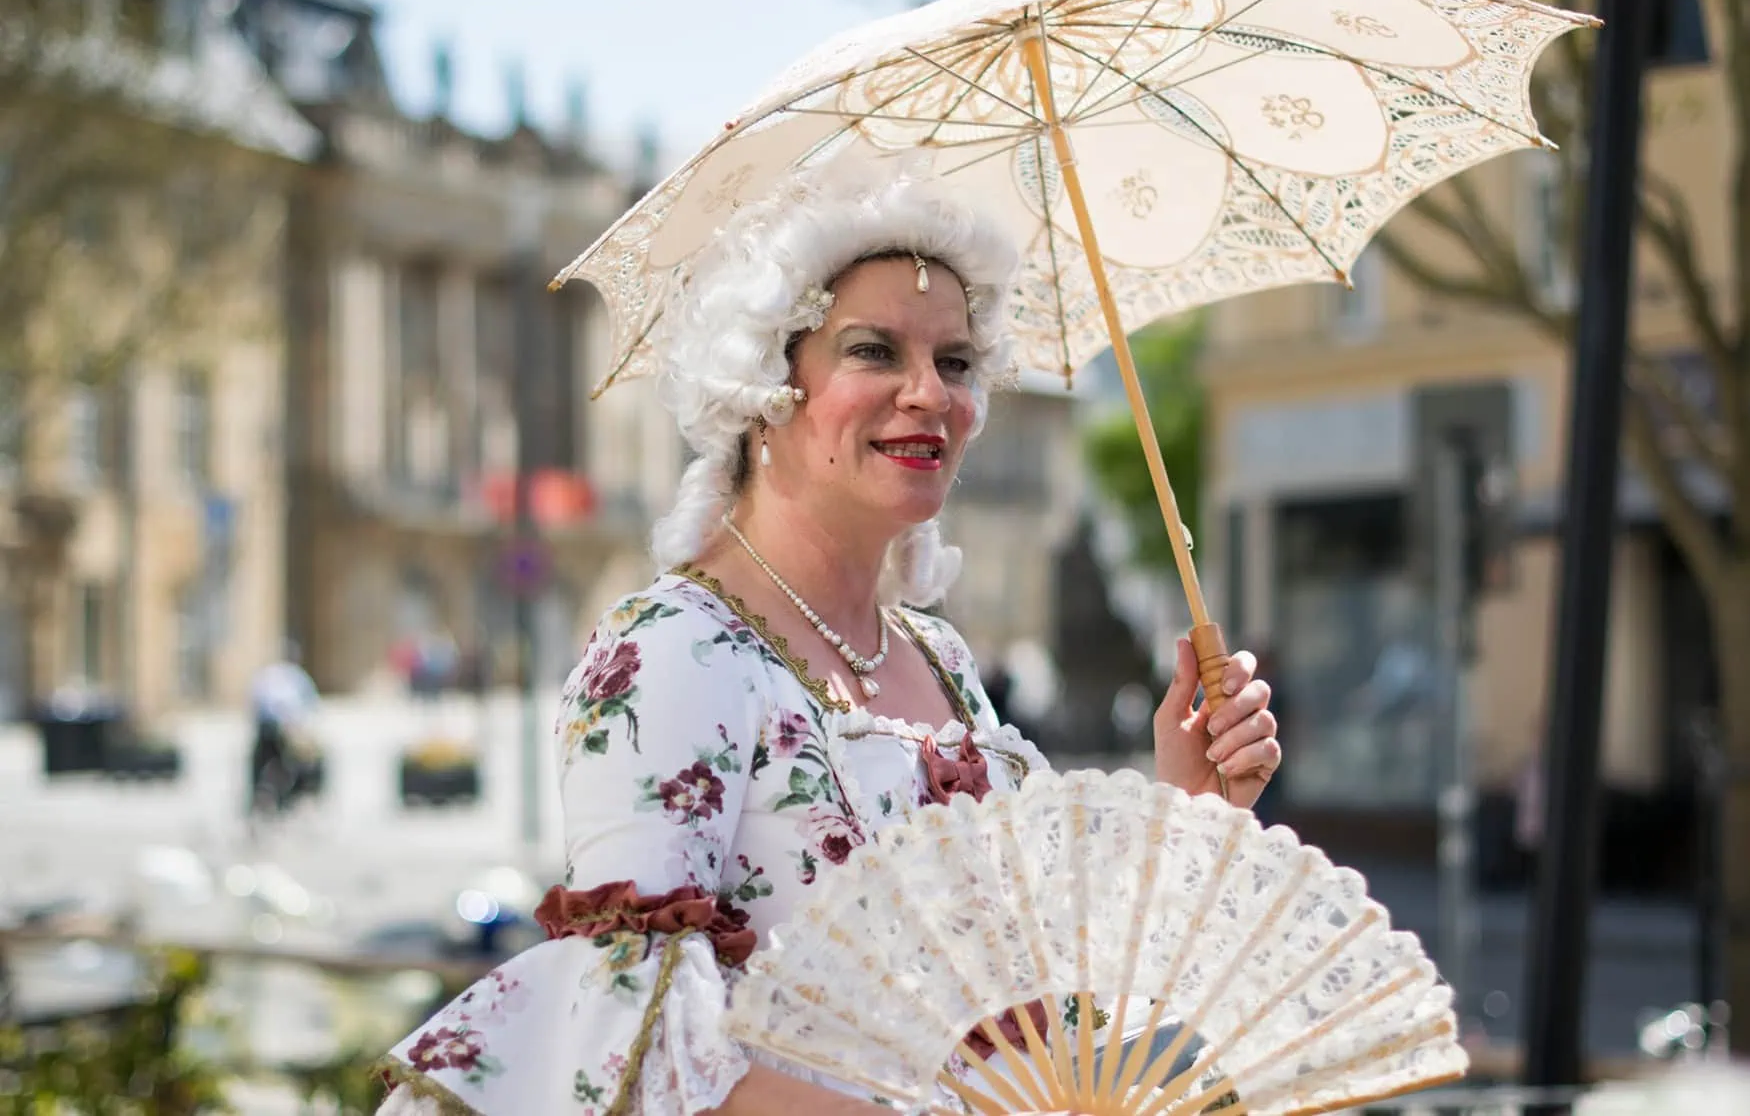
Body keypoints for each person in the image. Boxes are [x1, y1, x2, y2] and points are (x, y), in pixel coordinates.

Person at [377, 161, 1280, 1116]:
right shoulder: (674, 652)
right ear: (767, 385)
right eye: (874, 351)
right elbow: (632, 1049)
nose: (931, 392)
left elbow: (1041, 1013)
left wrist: (1193, 809)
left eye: (957, 361)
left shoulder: (942, 662)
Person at [247, 642, 320, 820]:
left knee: (270, 765)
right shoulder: (294, 677)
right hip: (283, 729)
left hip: (273, 729)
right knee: (282, 765)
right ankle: (276, 798)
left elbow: (255, 704)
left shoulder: (267, 676)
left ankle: (268, 797)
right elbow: (310, 705)